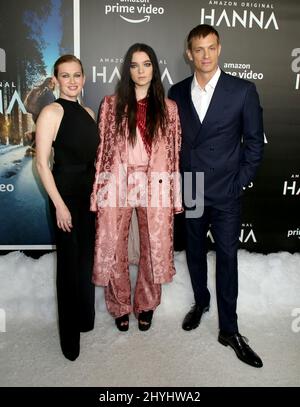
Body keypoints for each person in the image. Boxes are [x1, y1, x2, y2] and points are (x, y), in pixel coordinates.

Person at [168, 24, 264, 368]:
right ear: (189, 53)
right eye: (198, 49)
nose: (205, 55)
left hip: (226, 191)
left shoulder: (242, 91)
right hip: (191, 187)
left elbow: (254, 143)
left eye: (211, 48)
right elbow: (173, 143)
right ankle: (200, 302)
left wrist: (239, 183)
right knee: (194, 251)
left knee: (227, 258)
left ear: (219, 49)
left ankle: (229, 329)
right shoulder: (176, 93)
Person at [90, 43, 181, 332]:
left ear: (154, 69)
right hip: (116, 180)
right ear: (127, 70)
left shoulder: (169, 109)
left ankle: (146, 304)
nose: (140, 71)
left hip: (155, 182)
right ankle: (119, 305)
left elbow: (174, 155)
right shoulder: (111, 104)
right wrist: (98, 192)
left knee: (153, 246)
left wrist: (174, 196)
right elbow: (102, 150)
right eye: (134, 65)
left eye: (146, 64)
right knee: (114, 244)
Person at [35, 55, 99, 361]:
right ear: (56, 80)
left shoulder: (88, 112)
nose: (72, 81)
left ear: (83, 78)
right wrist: (59, 205)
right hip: (65, 197)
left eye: (77, 75)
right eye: (65, 75)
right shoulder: (51, 112)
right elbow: (41, 164)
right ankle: (69, 338)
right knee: (69, 266)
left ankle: (85, 319)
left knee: (86, 261)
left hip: (88, 197)